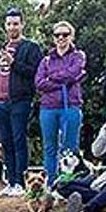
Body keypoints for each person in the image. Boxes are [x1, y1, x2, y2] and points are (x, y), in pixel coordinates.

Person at [0, 8, 45, 196]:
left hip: (20, 101)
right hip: (0, 103)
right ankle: (10, 182)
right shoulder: (1, 49)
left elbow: (35, 73)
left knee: (19, 140)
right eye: (9, 24)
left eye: (16, 23)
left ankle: (21, 182)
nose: (12, 27)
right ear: (5, 26)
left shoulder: (31, 48)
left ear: (22, 25)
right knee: (6, 142)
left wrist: (13, 62)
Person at [35, 21, 87, 186]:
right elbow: (39, 83)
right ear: (53, 38)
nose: (61, 38)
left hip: (70, 105)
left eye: (65, 34)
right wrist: (63, 81)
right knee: (49, 147)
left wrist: (53, 78)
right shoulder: (46, 60)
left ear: (71, 36)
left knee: (70, 147)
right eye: (57, 35)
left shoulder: (78, 55)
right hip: (48, 108)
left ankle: (68, 183)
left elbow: (74, 73)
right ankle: (50, 183)